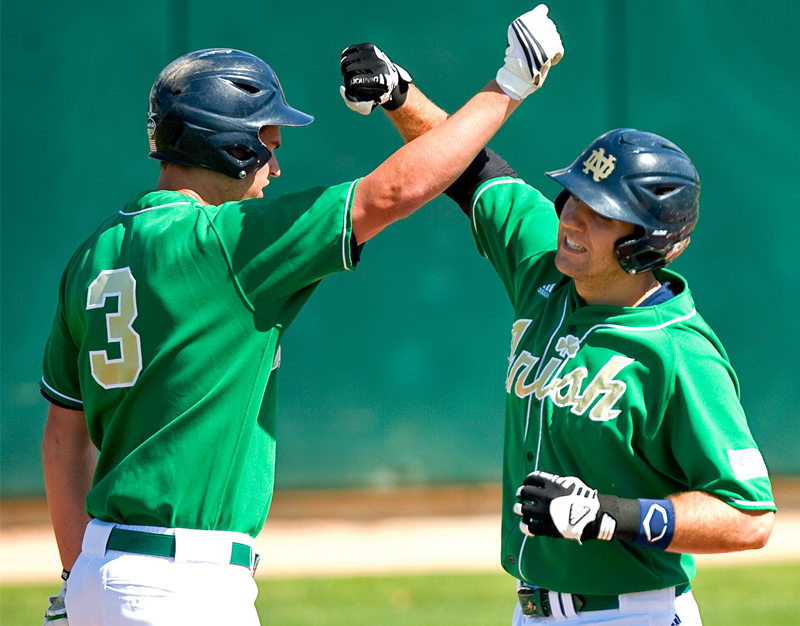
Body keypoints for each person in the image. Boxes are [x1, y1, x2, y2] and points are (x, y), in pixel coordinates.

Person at [39, 8, 564, 626]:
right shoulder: (224, 243)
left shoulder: (94, 254)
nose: (275, 166)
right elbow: (392, 192)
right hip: (180, 586)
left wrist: (75, 580)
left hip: (98, 574)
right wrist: (509, 86)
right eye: (267, 143)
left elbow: (63, 438)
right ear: (229, 143)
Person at [339, 24, 776, 626]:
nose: (571, 217)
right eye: (573, 196)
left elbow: (749, 517)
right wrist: (399, 94)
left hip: (632, 615)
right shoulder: (547, 266)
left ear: (646, 242)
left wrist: (609, 515)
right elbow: (470, 170)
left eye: (601, 213)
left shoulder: (678, 353)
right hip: (531, 610)